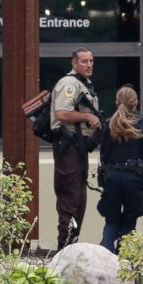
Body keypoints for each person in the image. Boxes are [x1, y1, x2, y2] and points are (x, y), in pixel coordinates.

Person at [97, 85, 143, 253]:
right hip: (134, 177)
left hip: (112, 177)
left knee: (111, 220)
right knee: (130, 218)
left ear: (116, 102)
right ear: (136, 103)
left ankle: (105, 254)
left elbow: (102, 150)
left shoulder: (109, 123)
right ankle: (123, 257)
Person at [50, 47, 101, 251]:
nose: (88, 65)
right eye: (83, 61)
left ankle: (71, 247)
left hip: (78, 150)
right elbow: (62, 113)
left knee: (79, 200)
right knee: (70, 201)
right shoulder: (69, 84)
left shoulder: (84, 84)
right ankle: (64, 250)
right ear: (74, 63)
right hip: (68, 149)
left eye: (91, 61)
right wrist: (87, 117)